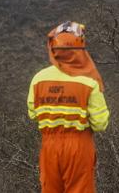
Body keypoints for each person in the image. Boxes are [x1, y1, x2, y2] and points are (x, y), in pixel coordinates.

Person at [27, 21, 110, 193]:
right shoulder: (89, 81)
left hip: (49, 145)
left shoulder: (38, 79)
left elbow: (33, 114)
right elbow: (100, 124)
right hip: (79, 146)